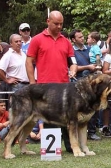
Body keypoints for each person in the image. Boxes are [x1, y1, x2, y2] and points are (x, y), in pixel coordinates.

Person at [26, 11, 78, 152]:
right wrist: (32, 83)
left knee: (69, 116)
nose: (59, 26)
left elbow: (72, 62)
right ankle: (52, 149)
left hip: (65, 87)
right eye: (56, 23)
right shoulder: (37, 40)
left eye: (61, 23)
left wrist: (73, 70)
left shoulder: (66, 42)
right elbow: (29, 61)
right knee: (49, 117)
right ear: (48, 21)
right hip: (45, 87)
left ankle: (71, 146)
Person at [69, 29, 102, 140]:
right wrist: (88, 67)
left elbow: (97, 61)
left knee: (92, 107)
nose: (82, 38)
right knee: (78, 109)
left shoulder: (90, 49)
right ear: (73, 39)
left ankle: (92, 131)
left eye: (83, 36)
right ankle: (77, 132)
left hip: (91, 84)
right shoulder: (71, 51)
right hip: (77, 84)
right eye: (79, 37)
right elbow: (72, 67)